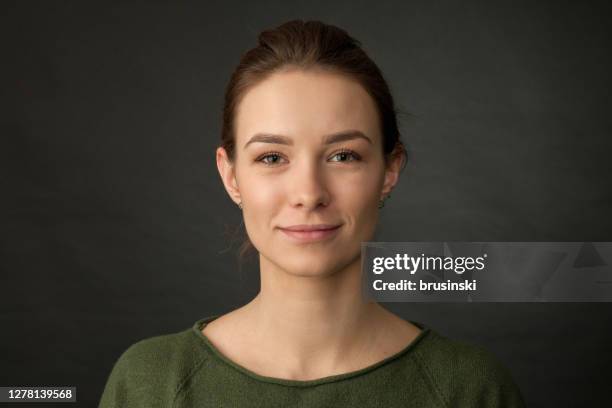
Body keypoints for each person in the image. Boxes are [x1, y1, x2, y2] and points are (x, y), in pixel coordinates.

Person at [98, 19, 526, 407]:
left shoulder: (470, 389)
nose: (308, 193)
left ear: (389, 170)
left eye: (343, 155)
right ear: (231, 176)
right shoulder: (149, 384)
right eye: (271, 157)